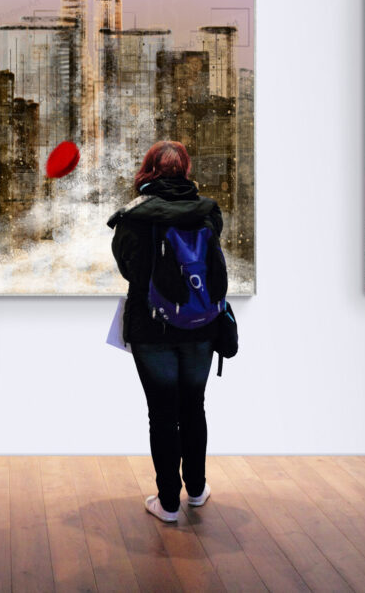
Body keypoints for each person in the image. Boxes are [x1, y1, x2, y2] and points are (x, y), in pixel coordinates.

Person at [107, 140, 223, 523]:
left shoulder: (133, 217)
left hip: (151, 327)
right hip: (200, 325)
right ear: (186, 169)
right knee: (194, 406)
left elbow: (129, 270)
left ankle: (168, 504)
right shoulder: (208, 211)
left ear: (147, 169)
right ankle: (197, 489)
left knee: (162, 413)